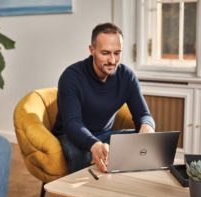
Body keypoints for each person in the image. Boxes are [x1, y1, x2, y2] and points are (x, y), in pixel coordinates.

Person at [52, 22, 155, 173]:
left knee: (144, 144)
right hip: (70, 135)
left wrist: (147, 126)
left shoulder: (127, 76)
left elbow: (143, 114)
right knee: (83, 154)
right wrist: (94, 144)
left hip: (105, 135)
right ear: (92, 50)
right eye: (105, 53)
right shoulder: (71, 77)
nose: (112, 61)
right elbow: (73, 123)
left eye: (117, 53)